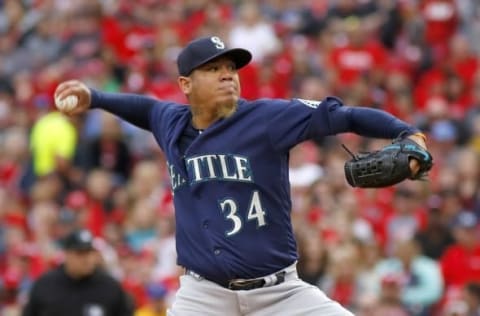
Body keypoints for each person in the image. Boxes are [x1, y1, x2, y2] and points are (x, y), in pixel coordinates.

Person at [54, 36, 428, 316]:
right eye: (213, 69)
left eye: (231, 69)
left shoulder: (266, 118)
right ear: (186, 84)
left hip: (280, 294)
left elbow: (344, 116)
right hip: (204, 296)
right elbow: (144, 108)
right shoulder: (171, 122)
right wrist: (96, 97)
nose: (228, 76)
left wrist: (407, 131)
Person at [22, 228, 134, 316]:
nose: (87, 259)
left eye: (90, 253)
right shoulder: (46, 285)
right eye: (80, 253)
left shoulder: (110, 287)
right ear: (66, 254)